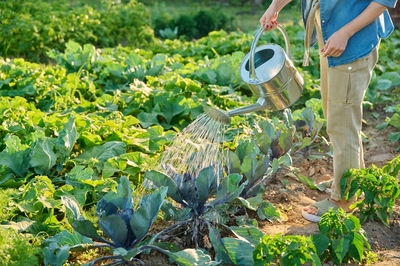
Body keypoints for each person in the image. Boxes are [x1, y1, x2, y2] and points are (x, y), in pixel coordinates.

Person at [260, 0, 397, 222]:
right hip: (332, 37)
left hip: (351, 38)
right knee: (337, 116)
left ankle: (344, 200)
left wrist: (345, 32)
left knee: (342, 123)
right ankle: (353, 181)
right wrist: (275, 6)